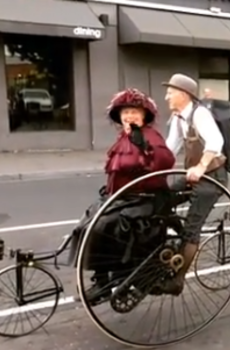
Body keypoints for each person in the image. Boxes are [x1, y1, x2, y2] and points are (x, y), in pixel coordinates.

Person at [75, 88, 176, 301]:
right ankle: (102, 279)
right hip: (120, 197)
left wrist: (144, 146)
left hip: (144, 198)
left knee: (104, 226)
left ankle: (113, 280)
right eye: (125, 113)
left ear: (143, 115)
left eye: (134, 112)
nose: (129, 116)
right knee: (86, 223)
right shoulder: (124, 137)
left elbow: (166, 161)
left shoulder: (149, 135)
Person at [161, 73, 227, 295]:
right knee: (162, 195)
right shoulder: (179, 118)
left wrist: (201, 166)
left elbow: (216, 142)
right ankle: (177, 235)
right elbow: (170, 149)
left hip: (212, 176)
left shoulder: (200, 114)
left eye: (170, 93)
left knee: (192, 230)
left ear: (183, 95)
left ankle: (177, 281)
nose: (166, 97)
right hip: (192, 175)